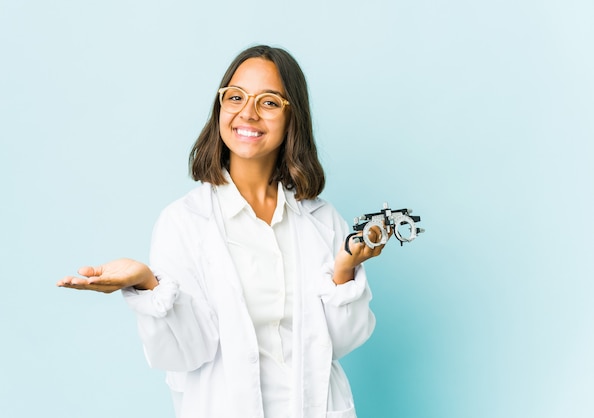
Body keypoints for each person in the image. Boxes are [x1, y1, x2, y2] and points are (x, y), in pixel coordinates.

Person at [57, 44, 387, 418]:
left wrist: (343, 273)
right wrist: (149, 284)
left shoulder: (323, 220)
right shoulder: (184, 222)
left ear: (293, 115)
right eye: (235, 97)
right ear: (220, 108)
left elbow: (341, 341)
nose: (247, 112)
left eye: (269, 102)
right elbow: (186, 353)